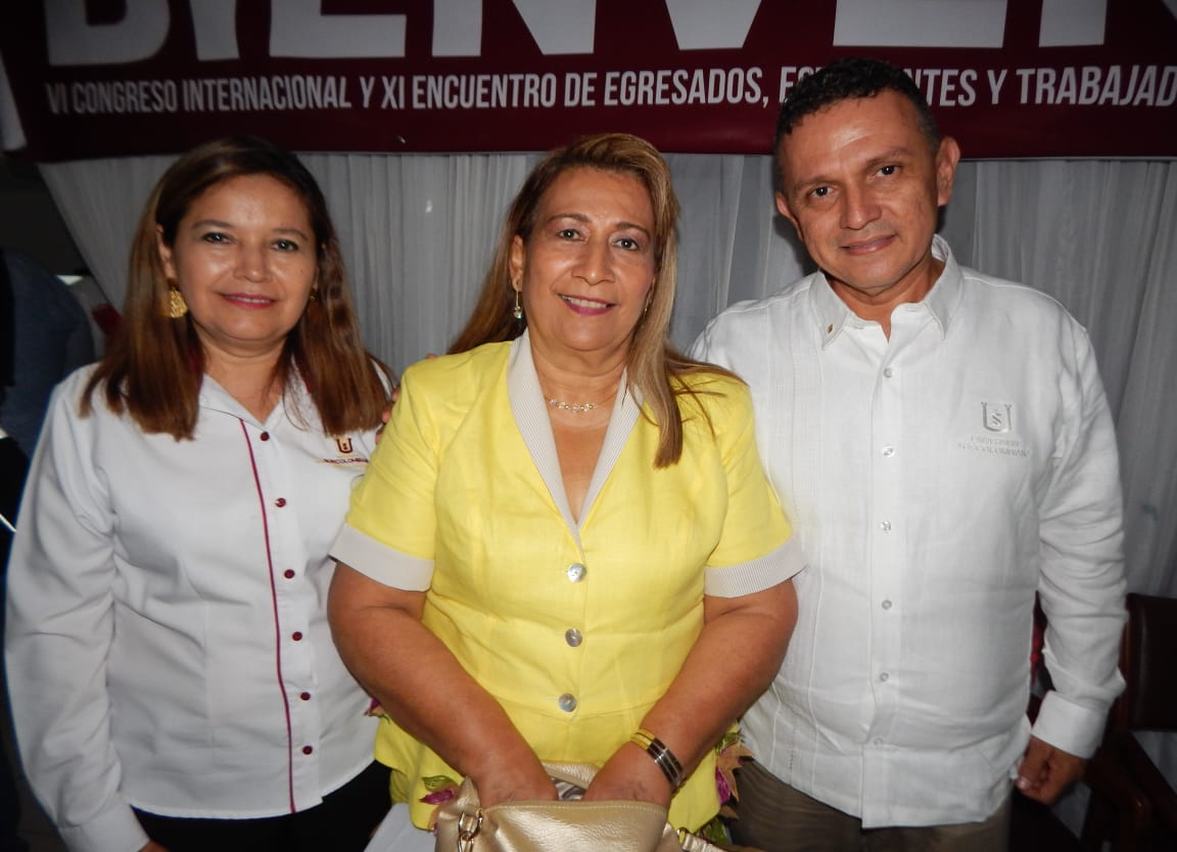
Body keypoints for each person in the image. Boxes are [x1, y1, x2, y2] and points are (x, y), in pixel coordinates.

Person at [692, 58, 1126, 851]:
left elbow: (1083, 544)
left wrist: (1077, 707)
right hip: (782, 763)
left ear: (943, 170)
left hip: (964, 778)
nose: (857, 213)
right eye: (821, 190)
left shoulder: (1042, 342)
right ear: (788, 212)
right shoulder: (735, 351)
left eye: (884, 170)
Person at [328, 132, 803, 850]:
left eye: (627, 243)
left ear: (653, 276)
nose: (594, 267)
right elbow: (370, 607)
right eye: (569, 233)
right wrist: (498, 761)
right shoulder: (437, 399)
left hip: (656, 808)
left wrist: (652, 764)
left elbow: (755, 609)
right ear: (520, 259)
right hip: (472, 800)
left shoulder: (714, 412)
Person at [5, 136, 394, 852]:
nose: (253, 268)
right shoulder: (95, 413)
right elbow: (54, 638)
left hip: (364, 776)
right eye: (218, 237)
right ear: (166, 254)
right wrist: (103, 833)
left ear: (317, 268)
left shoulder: (367, 391)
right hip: (182, 806)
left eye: (284, 244)